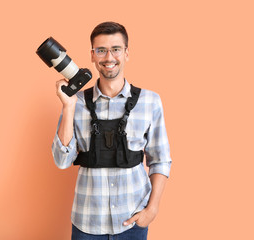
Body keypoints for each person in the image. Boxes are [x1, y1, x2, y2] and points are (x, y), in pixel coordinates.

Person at [52, 21, 172, 240]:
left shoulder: (150, 101)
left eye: (116, 49)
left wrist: (152, 210)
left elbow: (161, 160)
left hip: (133, 222)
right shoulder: (75, 101)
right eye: (101, 50)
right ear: (92, 55)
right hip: (87, 222)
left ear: (126, 53)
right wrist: (68, 107)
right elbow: (62, 161)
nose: (109, 57)